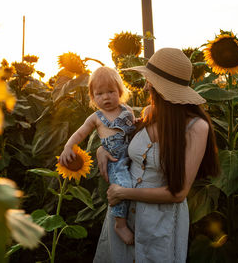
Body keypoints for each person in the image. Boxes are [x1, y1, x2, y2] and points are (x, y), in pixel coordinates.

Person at [93, 48, 220, 262]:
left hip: (158, 223)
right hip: (122, 217)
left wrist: (124, 193)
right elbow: (121, 143)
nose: (145, 86)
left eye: (149, 82)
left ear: (161, 88)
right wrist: (101, 150)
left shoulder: (196, 128)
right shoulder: (149, 115)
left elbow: (178, 193)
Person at [59, 66, 136, 245]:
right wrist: (68, 146)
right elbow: (80, 134)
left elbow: (133, 130)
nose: (106, 97)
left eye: (111, 91)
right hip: (114, 161)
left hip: (130, 156)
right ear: (93, 97)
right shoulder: (96, 117)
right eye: (99, 94)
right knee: (123, 187)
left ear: (120, 91)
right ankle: (120, 224)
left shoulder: (127, 111)